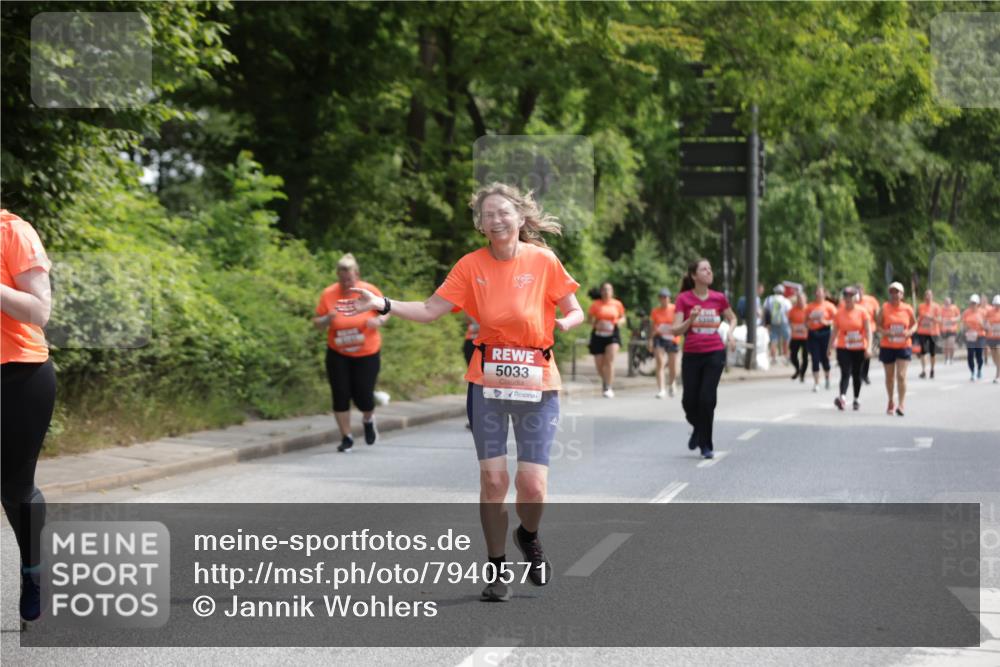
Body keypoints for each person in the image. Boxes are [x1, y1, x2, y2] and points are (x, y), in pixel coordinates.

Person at [337, 182, 583, 602]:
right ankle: (497, 566)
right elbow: (431, 310)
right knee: (492, 480)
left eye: (504, 212)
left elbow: (574, 307)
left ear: (520, 218)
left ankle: (529, 535)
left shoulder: (543, 261)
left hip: (537, 382)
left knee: (532, 487)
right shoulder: (470, 266)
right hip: (486, 382)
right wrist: (383, 304)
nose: (497, 219)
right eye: (488, 214)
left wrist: (567, 323)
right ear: (480, 225)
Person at [1, 209, 55, 624]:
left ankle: (34, 572)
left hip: (18, 374)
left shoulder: (13, 232)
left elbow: (40, 311)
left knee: (15, 487)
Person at [313, 253, 388, 452]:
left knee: (363, 395)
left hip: (367, 353)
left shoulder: (369, 290)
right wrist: (327, 319)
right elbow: (317, 323)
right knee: (340, 394)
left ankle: (368, 418)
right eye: (343, 278)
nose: (347, 283)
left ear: (357, 274)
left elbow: (386, 310)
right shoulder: (328, 294)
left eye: (350, 278)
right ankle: (346, 437)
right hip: (338, 353)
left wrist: (378, 321)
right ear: (337, 276)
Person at [672, 259, 736, 460]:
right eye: (703, 269)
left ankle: (706, 444)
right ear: (694, 276)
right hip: (692, 354)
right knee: (689, 401)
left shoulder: (719, 298)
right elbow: (675, 329)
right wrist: (690, 320)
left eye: (710, 268)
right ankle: (699, 429)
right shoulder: (684, 299)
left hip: (714, 353)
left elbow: (732, 318)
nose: (709, 271)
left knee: (707, 399)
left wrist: (731, 334)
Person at [828, 286, 873, 411]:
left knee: (857, 374)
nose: (848, 299)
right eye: (846, 297)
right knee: (845, 372)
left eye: (851, 297)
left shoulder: (862, 312)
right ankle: (842, 397)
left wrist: (868, 347)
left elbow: (868, 330)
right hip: (844, 347)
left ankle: (856, 398)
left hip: (859, 347)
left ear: (855, 298)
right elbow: (835, 331)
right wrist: (829, 347)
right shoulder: (839, 313)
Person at [877, 281, 917, 416]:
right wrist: (885, 332)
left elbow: (914, 324)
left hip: (903, 345)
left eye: (897, 292)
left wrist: (910, 332)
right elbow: (878, 326)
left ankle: (901, 404)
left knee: (901, 375)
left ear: (902, 294)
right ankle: (890, 401)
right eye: (892, 292)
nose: (894, 295)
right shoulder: (884, 308)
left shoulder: (908, 309)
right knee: (889, 377)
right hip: (887, 345)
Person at [587, 282, 626, 398]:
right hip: (598, 335)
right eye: (604, 289)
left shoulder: (617, 304)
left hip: (612, 335)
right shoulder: (595, 304)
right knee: (599, 364)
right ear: (601, 291)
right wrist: (595, 324)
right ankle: (605, 380)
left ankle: (608, 387)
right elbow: (589, 320)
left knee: (609, 361)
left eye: (609, 289)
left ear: (612, 292)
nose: (606, 292)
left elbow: (623, 317)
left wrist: (619, 322)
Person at [648, 287, 680, 398]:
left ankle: (672, 383)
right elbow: (653, 327)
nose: (663, 299)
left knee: (672, 366)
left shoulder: (675, 309)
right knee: (660, 362)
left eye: (665, 297)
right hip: (659, 337)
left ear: (669, 298)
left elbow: (679, 323)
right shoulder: (655, 311)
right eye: (661, 297)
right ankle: (661, 389)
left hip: (672, 338)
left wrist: (673, 329)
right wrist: (650, 340)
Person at [805, 286, 837, 392]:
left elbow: (836, 320)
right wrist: (809, 322)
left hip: (825, 332)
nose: (818, 295)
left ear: (824, 294)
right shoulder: (810, 306)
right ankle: (816, 383)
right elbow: (805, 321)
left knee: (825, 357)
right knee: (815, 358)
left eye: (820, 293)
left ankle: (827, 378)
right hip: (813, 334)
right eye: (817, 293)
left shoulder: (830, 306)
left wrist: (826, 322)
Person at [856, 284, 880, 384]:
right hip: (858, 331)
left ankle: (865, 375)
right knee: (859, 353)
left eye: (860, 291)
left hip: (871, 330)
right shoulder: (853, 302)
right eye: (857, 292)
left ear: (863, 291)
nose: (859, 293)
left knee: (867, 353)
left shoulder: (871, 300)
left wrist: (879, 326)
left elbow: (877, 313)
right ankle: (859, 374)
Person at [915, 289, 941, 379]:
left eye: (929, 295)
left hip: (933, 332)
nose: (928, 297)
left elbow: (939, 320)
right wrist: (918, 321)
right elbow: (918, 318)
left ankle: (932, 369)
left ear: (932, 296)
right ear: (924, 297)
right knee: (923, 352)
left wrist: (930, 317)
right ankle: (923, 370)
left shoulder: (936, 307)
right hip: (922, 331)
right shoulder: (921, 306)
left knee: (932, 352)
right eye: (926, 295)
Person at [763, 284, 791, 364]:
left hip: (773, 322)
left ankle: (773, 358)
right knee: (786, 339)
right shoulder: (786, 300)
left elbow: (765, 311)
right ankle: (786, 357)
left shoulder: (769, 299)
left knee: (773, 340)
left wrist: (765, 323)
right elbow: (788, 312)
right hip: (784, 322)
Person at [961, 294, 986, 381]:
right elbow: (963, 324)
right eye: (971, 303)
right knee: (970, 354)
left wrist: (981, 324)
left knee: (979, 355)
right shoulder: (966, 312)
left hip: (980, 336)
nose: (973, 305)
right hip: (970, 336)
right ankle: (972, 372)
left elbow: (986, 326)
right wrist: (965, 328)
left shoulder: (983, 312)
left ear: (978, 304)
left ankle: (979, 369)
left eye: (974, 303)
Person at [787, 290, 810, 382]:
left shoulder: (809, 309)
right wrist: (792, 325)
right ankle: (797, 369)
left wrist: (807, 326)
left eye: (802, 299)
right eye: (799, 299)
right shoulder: (792, 310)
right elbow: (789, 320)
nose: (800, 301)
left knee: (805, 357)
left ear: (805, 299)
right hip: (795, 336)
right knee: (793, 356)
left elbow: (812, 320)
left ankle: (802, 374)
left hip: (806, 337)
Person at [940, 296, 960, 364]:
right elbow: (939, 317)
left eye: (948, 302)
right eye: (946, 302)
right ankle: (946, 359)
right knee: (945, 345)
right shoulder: (941, 308)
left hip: (952, 329)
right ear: (944, 302)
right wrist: (942, 320)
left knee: (951, 344)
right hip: (944, 329)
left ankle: (951, 358)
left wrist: (953, 319)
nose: (947, 303)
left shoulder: (954, 308)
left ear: (951, 302)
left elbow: (959, 316)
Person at [987, 295, 1000, 383]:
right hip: (992, 337)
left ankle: (998, 375)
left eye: (998, 304)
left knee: (999, 353)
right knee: (994, 357)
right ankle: (998, 368)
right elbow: (985, 322)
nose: (997, 306)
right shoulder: (989, 312)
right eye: (996, 304)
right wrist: (987, 326)